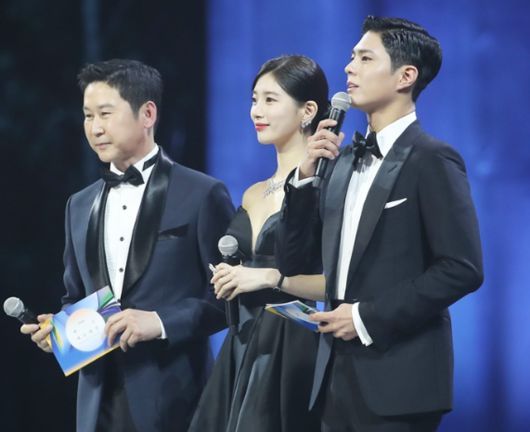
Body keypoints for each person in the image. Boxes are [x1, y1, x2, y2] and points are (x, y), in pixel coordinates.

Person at [276, 16, 484, 431]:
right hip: (333, 377)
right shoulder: (340, 160)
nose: (349, 67)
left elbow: (461, 268)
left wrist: (364, 317)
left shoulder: (432, 159)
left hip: (399, 381)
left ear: (406, 76)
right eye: (352, 57)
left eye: (365, 58)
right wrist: (304, 179)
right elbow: (294, 262)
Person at [20, 59, 234, 432]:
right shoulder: (79, 204)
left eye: (106, 113)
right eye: (88, 116)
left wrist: (160, 322)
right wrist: (62, 332)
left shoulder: (202, 193)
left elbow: (229, 301)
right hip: (96, 401)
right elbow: (76, 297)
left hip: (175, 398)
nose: (95, 128)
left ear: (147, 113)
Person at [188, 55, 328, 432]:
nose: (256, 111)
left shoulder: (325, 187)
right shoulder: (252, 192)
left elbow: (342, 282)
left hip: (291, 343)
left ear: (307, 111)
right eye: (254, 100)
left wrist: (267, 277)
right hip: (241, 339)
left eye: (270, 99)